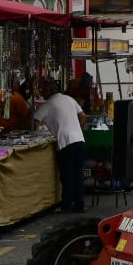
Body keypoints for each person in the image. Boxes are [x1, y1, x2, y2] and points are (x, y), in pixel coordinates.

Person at [33, 76, 88, 213]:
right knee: (78, 175)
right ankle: (79, 204)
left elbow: (34, 120)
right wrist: (77, 129)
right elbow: (83, 116)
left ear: (49, 90)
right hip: (79, 140)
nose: (42, 93)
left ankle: (66, 205)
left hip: (65, 143)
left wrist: (40, 131)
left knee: (67, 176)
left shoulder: (48, 104)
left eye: (43, 90)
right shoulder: (68, 99)